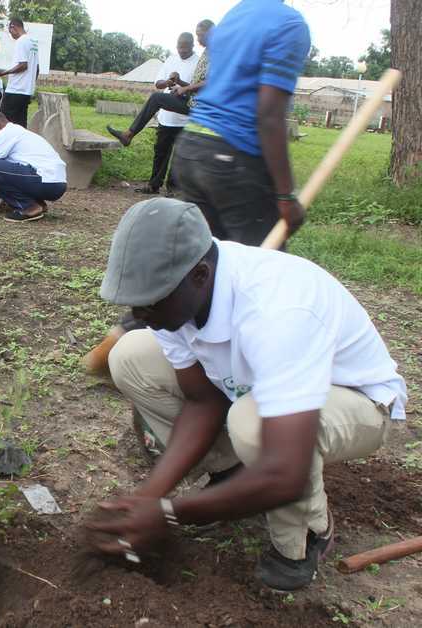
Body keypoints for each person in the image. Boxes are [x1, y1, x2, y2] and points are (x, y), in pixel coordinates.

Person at [87, 198, 407, 591]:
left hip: (355, 399)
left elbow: (285, 472)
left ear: (200, 275)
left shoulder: (278, 313)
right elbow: (204, 401)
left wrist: (169, 513)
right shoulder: (174, 296)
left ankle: (306, 535)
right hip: (258, 387)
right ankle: (232, 476)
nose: (139, 313)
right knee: (131, 355)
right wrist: (146, 499)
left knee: (252, 424)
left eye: (149, 300)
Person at [171, 0, 310, 245]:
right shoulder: (290, 24)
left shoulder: (235, 14)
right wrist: (286, 196)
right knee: (260, 269)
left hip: (191, 149)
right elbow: (268, 115)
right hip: (232, 160)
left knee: (211, 265)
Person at [107, 31, 201, 195]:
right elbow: (159, 84)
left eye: (185, 49)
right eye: (179, 48)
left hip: (185, 116)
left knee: (178, 155)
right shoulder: (171, 59)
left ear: (192, 46)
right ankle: (153, 185)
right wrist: (169, 82)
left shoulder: (199, 62)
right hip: (167, 116)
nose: (181, 51)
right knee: (161, 152)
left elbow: (197, 89)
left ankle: (173, 188)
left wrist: (180, 84)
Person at [0, 18, 39, 128]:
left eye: (10, 31)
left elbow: (23, 65)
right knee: (20, 126)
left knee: (5, 124)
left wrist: (3, 73)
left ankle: (5, 145)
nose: (10, 35)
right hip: (25, 93)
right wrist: (30, 88)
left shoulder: (21, 41)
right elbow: (37, 68)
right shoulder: (33, 42)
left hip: (15, 90)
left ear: (14, 27)